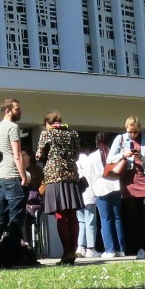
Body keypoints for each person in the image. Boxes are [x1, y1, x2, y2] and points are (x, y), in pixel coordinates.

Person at [34, 112, 83, 264]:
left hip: (54, 177)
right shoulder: (73, 134)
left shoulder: (46, 134)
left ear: (48, 123)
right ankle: (72, 252)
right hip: (71, 176)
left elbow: (38, 155)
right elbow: (76, 155)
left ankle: (66, 253)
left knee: (60, 215)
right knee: (73, 215)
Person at [108, 118, 145, 258]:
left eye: (135, 131)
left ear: (139, 129)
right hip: (128, 181)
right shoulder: (120, 139)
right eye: (130, 132)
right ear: (125, 128)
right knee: (134, 217)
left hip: (143, 177)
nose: (133, 134)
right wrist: (124, 155)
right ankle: (140, 249)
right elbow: (109, 159)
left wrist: (141, 156)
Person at [0, 99, 33, 260]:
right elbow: (17, 155)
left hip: (0, 176)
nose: (20, 111)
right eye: (17, 109)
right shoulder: (13, 127)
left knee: (0, 220)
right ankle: (13, 255)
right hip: (12, 175)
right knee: (16, 218)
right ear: (8, 111)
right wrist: (23, 176)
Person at [79, 134, 123, 258]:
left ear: (96, 142)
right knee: (117, 218)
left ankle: (110, 250)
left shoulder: (92, 156)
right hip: (115, 186)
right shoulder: (115, 154)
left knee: (105, 219)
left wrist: (91, 193)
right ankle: (120, 249)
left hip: (100, 188)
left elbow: (90, 176)